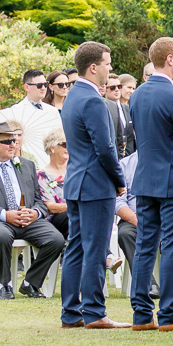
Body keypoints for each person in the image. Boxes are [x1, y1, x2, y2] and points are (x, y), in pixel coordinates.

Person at [127, 36, 173, 332]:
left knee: (145, 247)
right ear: (169, 59)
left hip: (145, 179)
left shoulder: (137, 95)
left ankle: (142, 315)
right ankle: (170, 315)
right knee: (172, 247)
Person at [58, 40, 124, 330]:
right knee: (95, 250)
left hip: (75, 182)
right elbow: (105, 149)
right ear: (94, 66)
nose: (110, 69)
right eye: (108, 63)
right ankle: (95, 312)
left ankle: (71, 313)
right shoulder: (93, 100)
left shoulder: (73, 96)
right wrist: (119, 181)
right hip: (96, 184)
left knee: (75, 249)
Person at [0, 124, 64, 299]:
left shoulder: (27, 165)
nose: (13, 144)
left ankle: (31, 283)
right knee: (1, 235)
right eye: (7, 141)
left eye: (15, 140)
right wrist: (4, 214)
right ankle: (5, 284)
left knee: (56, 239)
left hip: (26, 220)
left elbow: (39, 200)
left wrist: (35, 213)